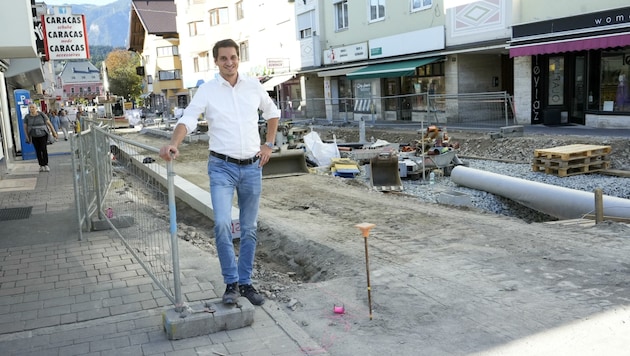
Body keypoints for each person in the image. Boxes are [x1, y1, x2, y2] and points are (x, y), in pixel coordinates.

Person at [159, 39, 280, 306]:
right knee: (223, 223)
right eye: (223, 58)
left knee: (248, 228)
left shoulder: (252, 86)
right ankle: (231, 283)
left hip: (252, 167)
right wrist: (173, 143)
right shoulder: (208, 91)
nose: (229, 62)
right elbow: (189, 119)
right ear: (215, 61)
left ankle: (246, 282)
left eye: (233, 57)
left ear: (239, 58)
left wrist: (268, 145)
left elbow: (273, 113)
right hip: (221, 167)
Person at [23, 103, 57, 172]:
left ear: (36, 108)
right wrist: (27, 136)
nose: (31, 109)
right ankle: (41, 165)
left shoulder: (41, 114)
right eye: (30, 108)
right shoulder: (27, 117)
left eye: (33, 107)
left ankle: (46, 164)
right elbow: (25, 127)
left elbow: (49, 123)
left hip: (43, 134)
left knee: (43, 148)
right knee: (37, 150)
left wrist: (54, 132)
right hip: (34, 135)